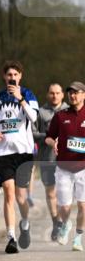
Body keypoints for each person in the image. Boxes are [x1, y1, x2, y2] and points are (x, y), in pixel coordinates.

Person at [0, 60, 39, 254]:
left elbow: (34, 118)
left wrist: (20, 99)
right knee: (8, 191)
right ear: (4, 77)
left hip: (23, 152)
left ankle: (24, 224)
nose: (12, 78)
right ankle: (11, 237)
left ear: (20, 77)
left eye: (15, 75)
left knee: (20, 196)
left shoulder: (28, 94)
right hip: (3, 153)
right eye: (9, 75)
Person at [46, 80, 85, 251]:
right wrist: (52, 143)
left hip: (83, 167)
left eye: (76, 92)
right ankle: (66, 224)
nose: (72, 95)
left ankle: (78, 238)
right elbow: (49, 136)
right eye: (70, 92)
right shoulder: (61, 116)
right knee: (65, 206)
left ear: (83, 94)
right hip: (63, 168)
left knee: (83, 205)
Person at [35, 83, 69, 241]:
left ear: (62, 95)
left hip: (68, 160)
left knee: (64, 193)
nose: (55, 96)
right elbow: (33, 133)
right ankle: (57, 223)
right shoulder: (41, 113)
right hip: (47, 159)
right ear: (48, 95)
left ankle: (63, 221)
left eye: (57, 93)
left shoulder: (71, 110)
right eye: (52, 93)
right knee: (51, 193)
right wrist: (49, 137)